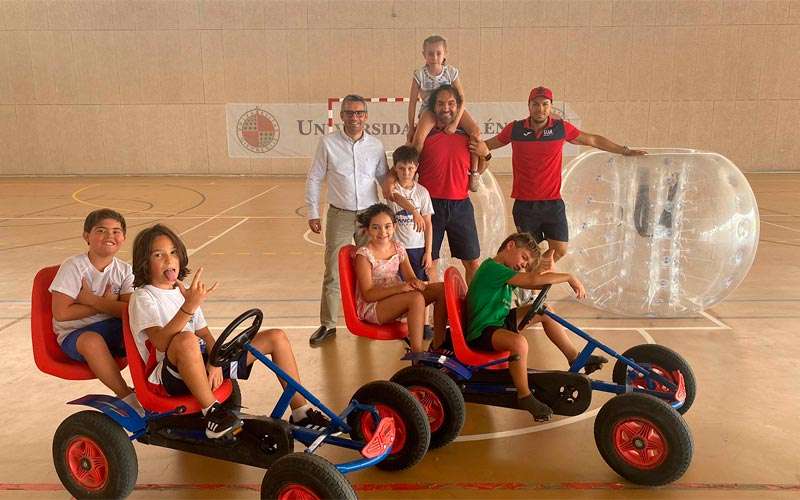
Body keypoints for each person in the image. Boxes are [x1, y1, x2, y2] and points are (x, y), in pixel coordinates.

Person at [127, 224, 331, 439]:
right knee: (186, 339)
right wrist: (189, 306)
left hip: (204, 361)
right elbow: (161, 342)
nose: (169, 260)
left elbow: (205, 334)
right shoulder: (143, 297)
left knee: (276, 337)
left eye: (173, 252)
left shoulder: (181, 292)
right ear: (145, 263)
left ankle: (301, 412)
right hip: (171, 378)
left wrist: (215, 362)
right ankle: (212, 413)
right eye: (159, 255)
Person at [471, 86, 646, 261]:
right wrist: (473, 152)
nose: (540, 109)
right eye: (536, 104)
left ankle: (535, 276)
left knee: (559, 251)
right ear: (529, 106)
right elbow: (487, 145)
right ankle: (529, 283)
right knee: (527, 254)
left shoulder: (561, 129)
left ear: (550, 106)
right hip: (525, 205)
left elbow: (593, 139)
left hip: (552, 203)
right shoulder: (515, 129)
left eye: (545, 104)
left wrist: (624, 150)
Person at [305, 94, 418, 348]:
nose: (354, 117)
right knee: (333, 270)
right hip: (340, 213)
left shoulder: (376, 146)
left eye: (359, 113)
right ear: (341, 116)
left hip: (371, 217)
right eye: (349, 113)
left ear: (365, 116)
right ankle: (328, 324)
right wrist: (313, 211)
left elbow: (384, 180)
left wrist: (396, 210)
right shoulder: (327, 143)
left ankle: (370, 317)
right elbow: (314, 178)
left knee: (374, 270)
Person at [465, 232, 607, 421]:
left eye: (526, 263)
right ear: (510, 246)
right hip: (481, 331)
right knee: (519, 344)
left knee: (544, 310)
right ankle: (524, 395)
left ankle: (575, 357)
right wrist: (569, 277)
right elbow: (531, 281)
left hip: (497, 321)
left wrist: (547, 270)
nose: (523, 265)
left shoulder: (502, 269)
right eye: (524, 257)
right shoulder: (493, 268)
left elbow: (535, 283)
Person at [49, 208, 145, 416]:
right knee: (92, 341)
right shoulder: (73, 267)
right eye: (101, 230)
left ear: (124, 237)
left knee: (147, 327)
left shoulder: (125, 270)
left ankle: (159, 385)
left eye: (116, 231)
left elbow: (128, 311)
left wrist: (92, 300)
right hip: (76, 335)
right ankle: (127, 397)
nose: (110, 236)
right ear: (87, 236)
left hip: (111, 329)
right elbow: (62, 313)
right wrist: (104, 304)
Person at [414, 84, 485, 284]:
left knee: (472, 263)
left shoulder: (468, 137)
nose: (446, 108)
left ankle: (473, 311)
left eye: (451, 103)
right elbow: (408, 165)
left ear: (458, 107)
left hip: (461, 206)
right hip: (430, 207)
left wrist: (485, 155)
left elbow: (481, 167)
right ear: (433, 107)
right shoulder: (425, 136)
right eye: (441, 103)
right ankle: (437, 312)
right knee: (429, 263)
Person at [353, 204, 447, 353]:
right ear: (367, 230)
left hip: (398, 297)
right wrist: (401, 288)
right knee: (415, 299)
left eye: (387, 226)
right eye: (376, 227)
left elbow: (410, 278)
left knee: (442, 289)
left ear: (394, 227)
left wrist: (417, 282)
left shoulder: (398, 247)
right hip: (375, 306)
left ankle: (438, 345)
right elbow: (368, 295)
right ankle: (417, 354)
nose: (383, 232)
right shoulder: (364, 255)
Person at [407, 34, 482, 192]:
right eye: (430, 53)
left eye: (438, 53)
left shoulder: (451, 72)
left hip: (452, 108)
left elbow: (462, 98)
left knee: (475, 132)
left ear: (445, 53)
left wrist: (455, 123)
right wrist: (411, 128)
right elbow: (412, 102)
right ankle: (413, 172)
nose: (434, 57)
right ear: (424, 55)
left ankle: (474, 172)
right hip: (430, 109)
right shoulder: (419, 74)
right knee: (418, 140)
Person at [385, 146, 435, 339]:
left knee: (422, 285)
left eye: (410, 168)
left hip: (417, 248)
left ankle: (425, 323)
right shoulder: (391, 189)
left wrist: (428, 252)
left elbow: (428, 224)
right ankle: (405, 323)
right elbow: (395, 197)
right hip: (397, 249)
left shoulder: (422, 192)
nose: (406, 172)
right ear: (395, 169)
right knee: (401, 286)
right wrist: (413, 211)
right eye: (401, 168)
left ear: (417, 168)